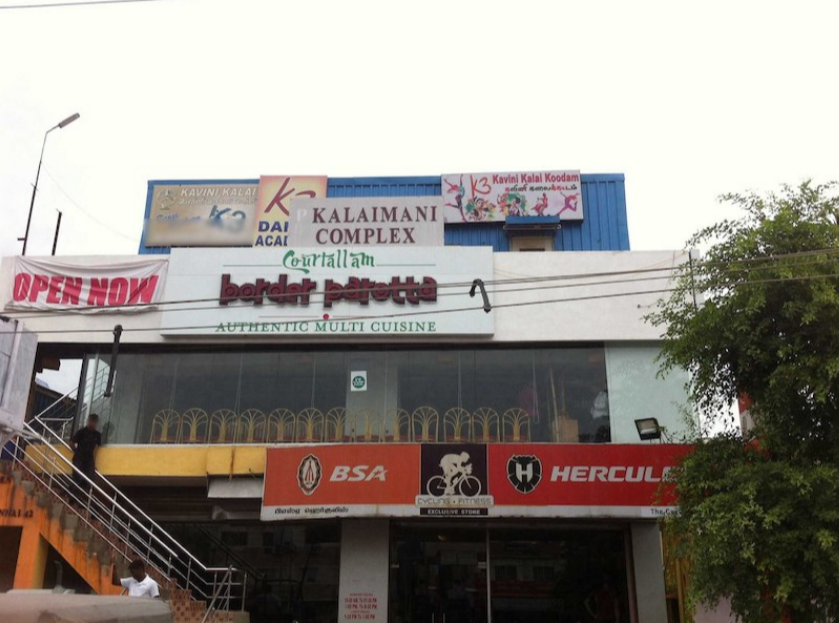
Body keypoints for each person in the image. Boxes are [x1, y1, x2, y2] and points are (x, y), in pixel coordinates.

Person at [70, 413, 101, 492]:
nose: (92, 424)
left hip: (89, 458)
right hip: (79, 457)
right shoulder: (81, 432)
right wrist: (76, 451)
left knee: (90, 478)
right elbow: (72, 443)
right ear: (88, 421)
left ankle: (78, 489)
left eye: (94, 422)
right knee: (76, 475)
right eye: (91, 421)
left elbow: (96, 449)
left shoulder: (97, 435)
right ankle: (71, 495)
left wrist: (94, 463)